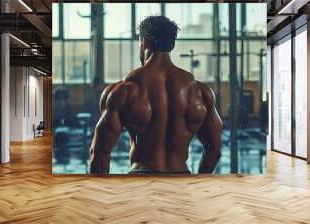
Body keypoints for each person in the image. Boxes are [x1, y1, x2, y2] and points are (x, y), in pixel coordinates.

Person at [89, 16, 222, 174]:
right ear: (171, 45)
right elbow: (214, 150)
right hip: (181, 178)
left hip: (140, 180)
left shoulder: (123, 91)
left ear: (144, 42)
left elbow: (100, 152)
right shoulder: (201, 92)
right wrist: (197, 182)